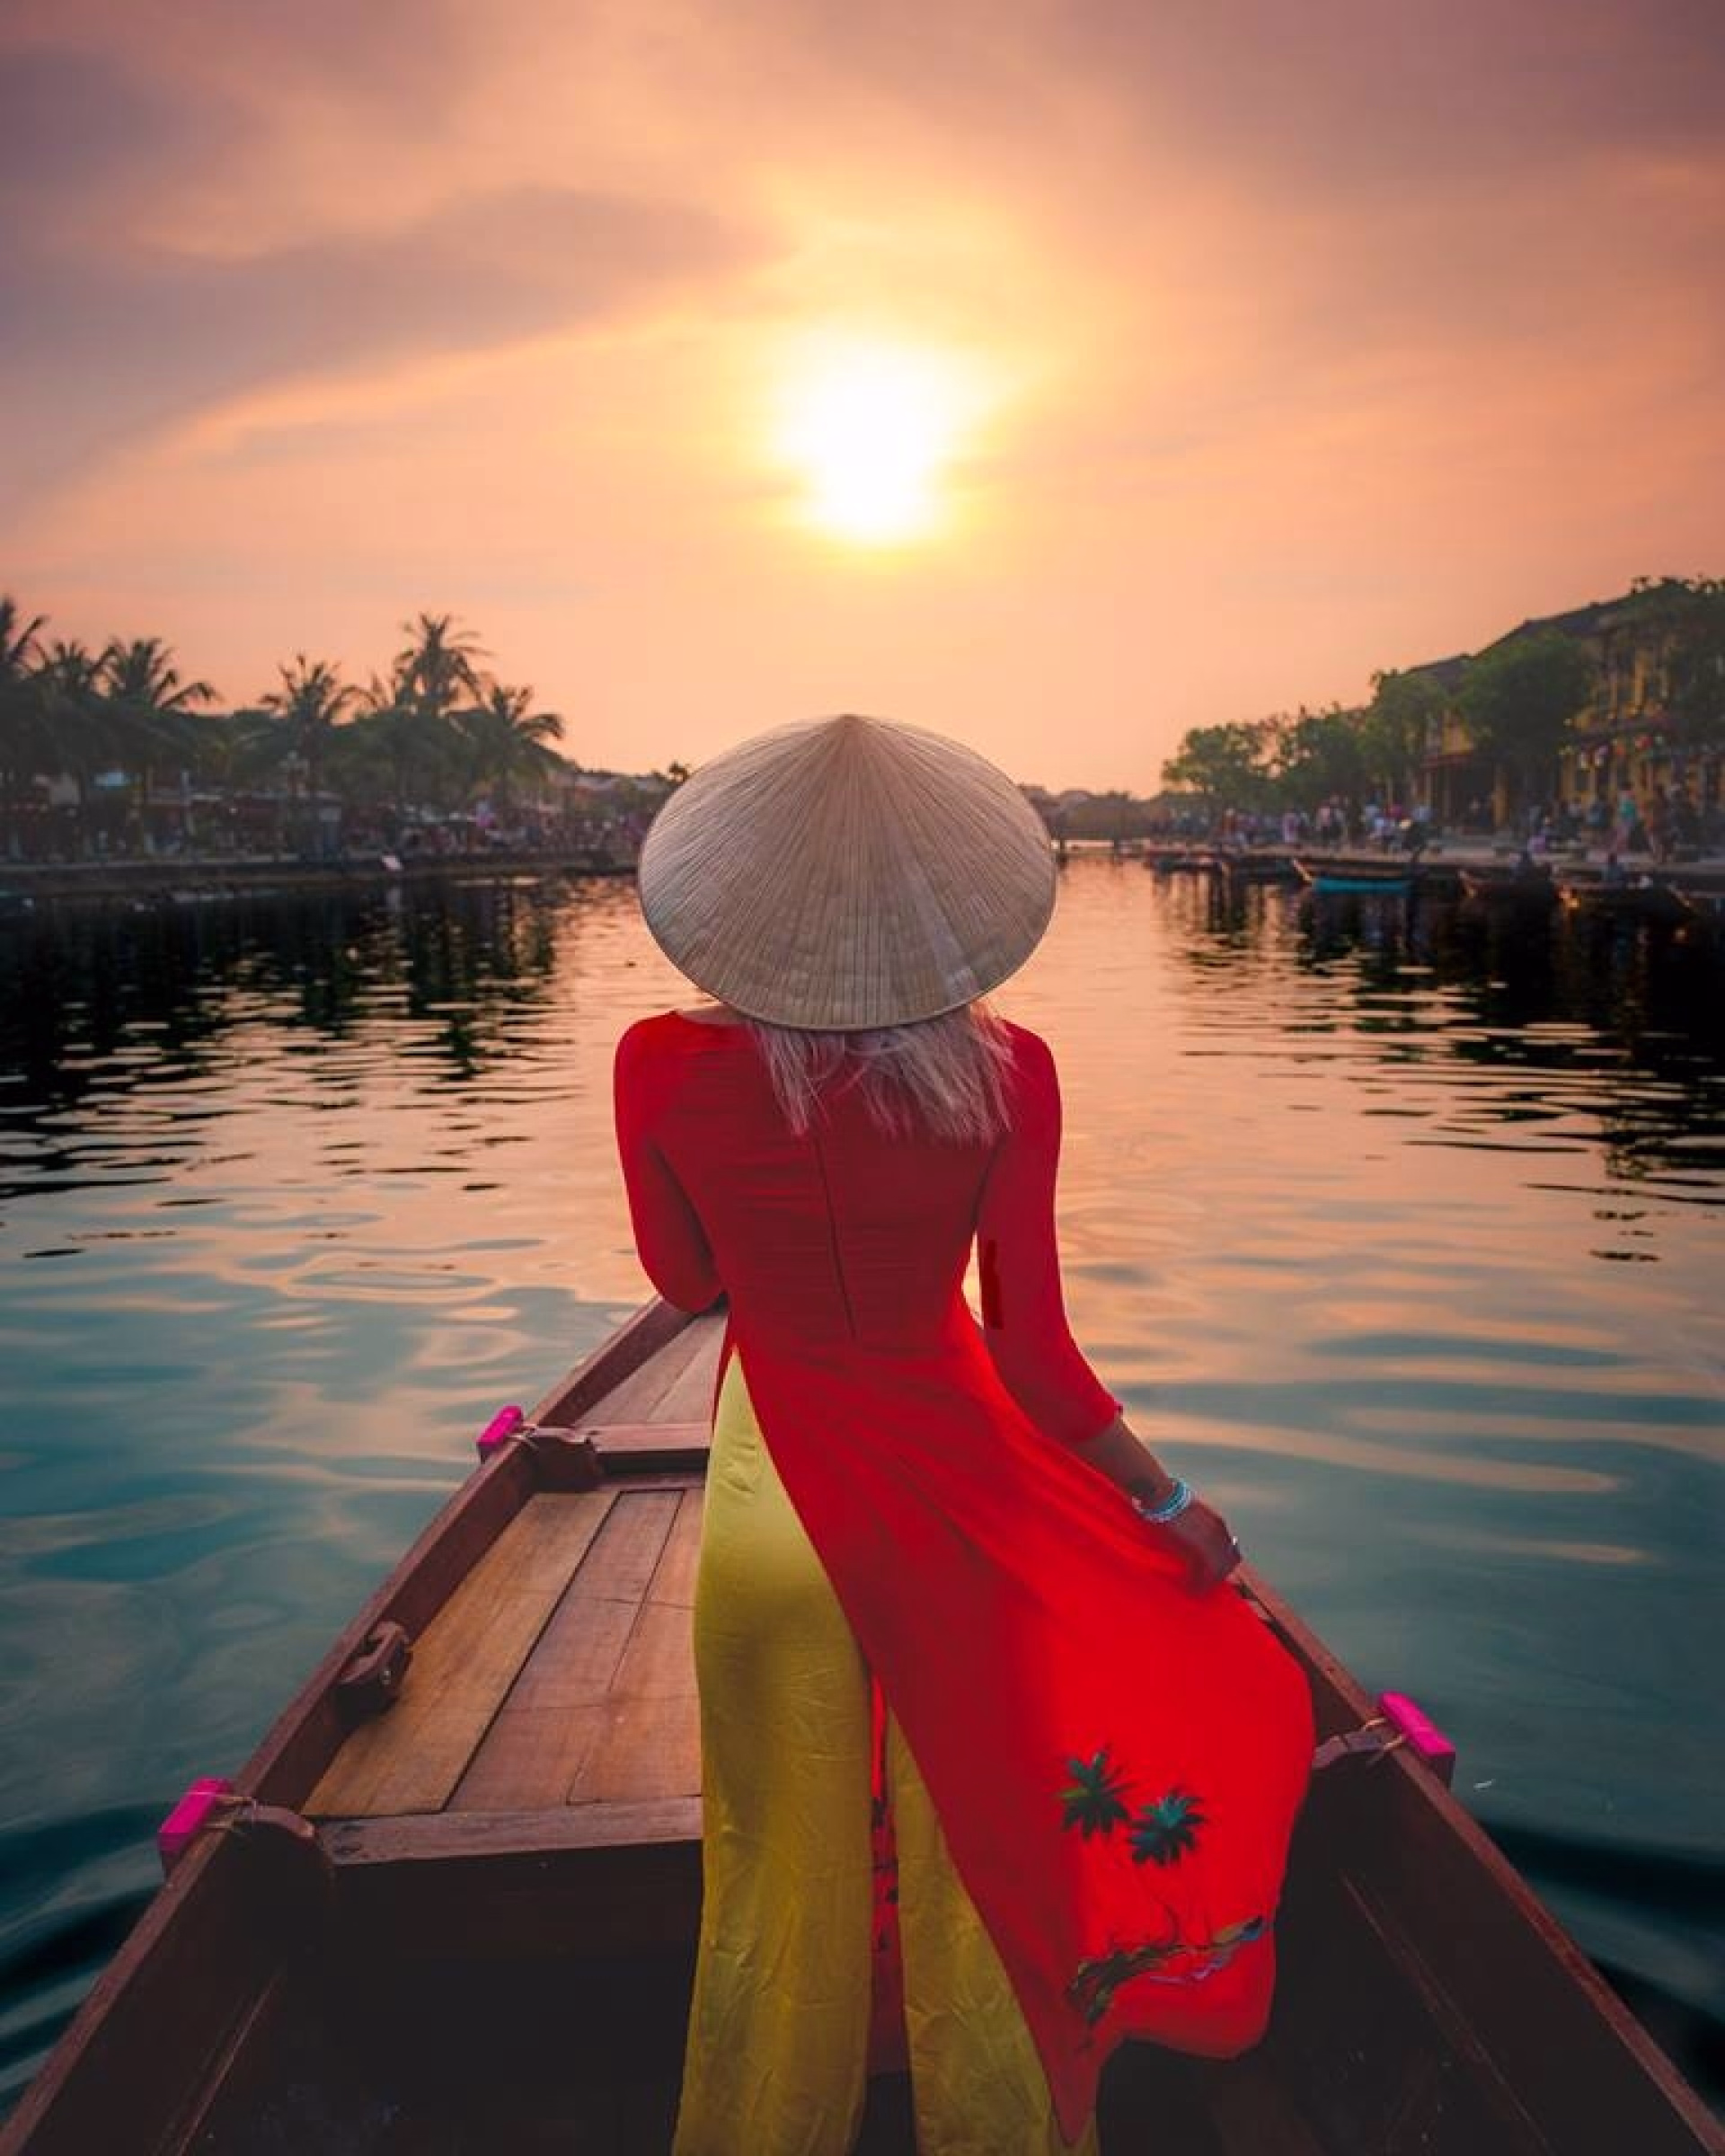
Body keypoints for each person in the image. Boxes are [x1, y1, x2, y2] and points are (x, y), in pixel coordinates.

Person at [614, 714, 1314, 2155]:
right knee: (982, 1883)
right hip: (964, 1514)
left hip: (775, 1517)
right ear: (944, 916)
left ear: (742, 908)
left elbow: (689, 1288)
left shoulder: (654, 1065)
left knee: (770, 1881)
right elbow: (1039, 1360)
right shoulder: (1011, 1071)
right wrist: (1164, 1498)